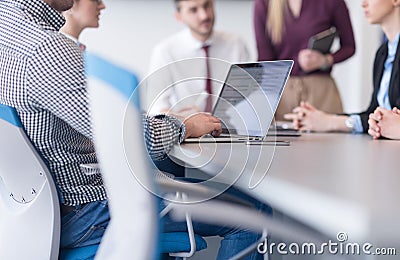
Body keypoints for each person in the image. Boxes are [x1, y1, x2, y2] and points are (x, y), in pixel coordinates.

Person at [0, 0, 265, 259]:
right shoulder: (45, 50)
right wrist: (185, 126)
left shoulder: (8, 28)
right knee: (252, 213)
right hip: (92, 211)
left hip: (47, 210)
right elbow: (135, 138)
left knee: (171, 170)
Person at [284, 0, 400, 140]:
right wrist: (325, 120)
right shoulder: (382, 54)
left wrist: (331, 122)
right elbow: (373, 114)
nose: (363, 4)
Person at [254, 0, 356, 120]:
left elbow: (349, 46)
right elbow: (265, 61)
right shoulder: (264, 3)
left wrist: (324, 60)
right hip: (282, 95)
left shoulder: (331, 2)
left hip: (321, 93)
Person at [147, 0, 250, 115]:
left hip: (231, 126)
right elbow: (156, 108)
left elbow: (248, 95)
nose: (204, 15)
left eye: (207, 6)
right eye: (193, 10)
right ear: (179, 17)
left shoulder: (236, 44)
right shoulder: (165, 52)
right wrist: (181, 120)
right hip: (187, 128)